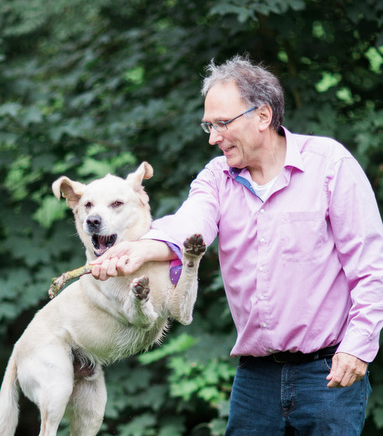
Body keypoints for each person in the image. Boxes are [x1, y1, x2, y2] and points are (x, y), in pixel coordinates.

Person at [91, 55, 383, 435]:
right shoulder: (217, 177)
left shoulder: (330, 165)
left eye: (222, 124)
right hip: (255, 380)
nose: (213, 137)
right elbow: (190, 223)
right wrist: (142, 248)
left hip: (329, 373)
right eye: (208, 126)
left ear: (262, 116)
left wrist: (359, 345)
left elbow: (371, 266)